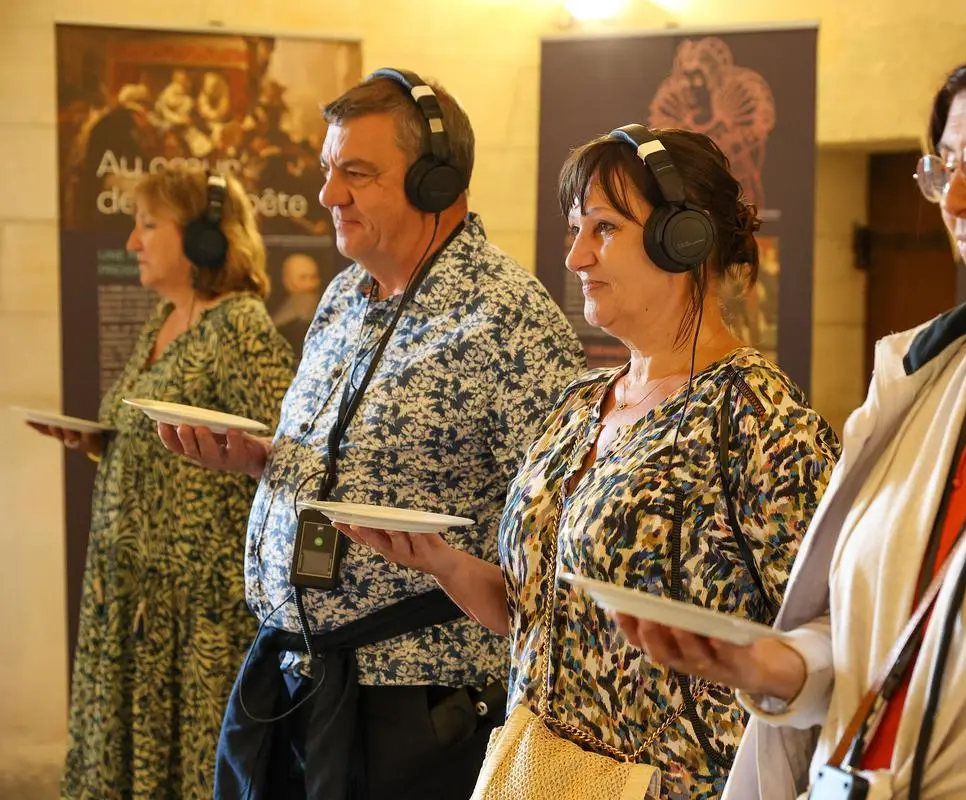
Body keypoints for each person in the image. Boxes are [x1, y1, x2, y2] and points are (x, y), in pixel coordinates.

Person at [615, 24, 966, 800]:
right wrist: (778, 665)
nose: (956, 199)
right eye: (945, 169)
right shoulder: (918, 380)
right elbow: (882, 637)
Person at [340, 125, 841, 798]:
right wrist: (442, 562)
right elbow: (540, 617)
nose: (575, 256)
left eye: (603, 228)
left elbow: (828, 644)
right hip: (537, 772)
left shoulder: (757, 417)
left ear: (683, 240)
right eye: (575, 228)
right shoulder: (580, 404)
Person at [158, 68, 585, 799]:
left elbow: (564, 532)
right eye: (328, 170)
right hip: (298, 680)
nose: (329, 196)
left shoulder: (508, 319)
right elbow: (345, 459)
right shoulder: (344, 297)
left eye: (355, 173)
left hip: (415, 712)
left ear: (436, 182)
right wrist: (265, 462)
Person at [28, 166, 295, 799]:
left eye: (149, 226)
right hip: (132, 596)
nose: (132, 242)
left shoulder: (240, 328)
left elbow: (285, 456)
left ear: (205, 240)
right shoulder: (164, 320)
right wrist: (99, 442)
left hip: (193, 612)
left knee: (190, 769)